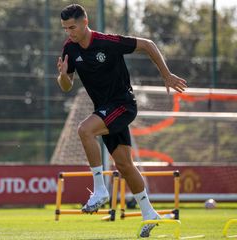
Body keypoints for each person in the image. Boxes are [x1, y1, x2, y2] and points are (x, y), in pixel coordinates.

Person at [56, 4, 187, 238]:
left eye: (72, 27)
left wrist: (166, 75)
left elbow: (148, 45)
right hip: (105, 110)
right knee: (125, 165)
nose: (69, 33)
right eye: (65, 29)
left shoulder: (107, 41)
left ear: (85, 22)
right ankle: (150, 214)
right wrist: (63, 75)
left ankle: (100, 191)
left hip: (123, 105)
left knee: (85, 130)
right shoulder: (70, 48)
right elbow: (66, 87)